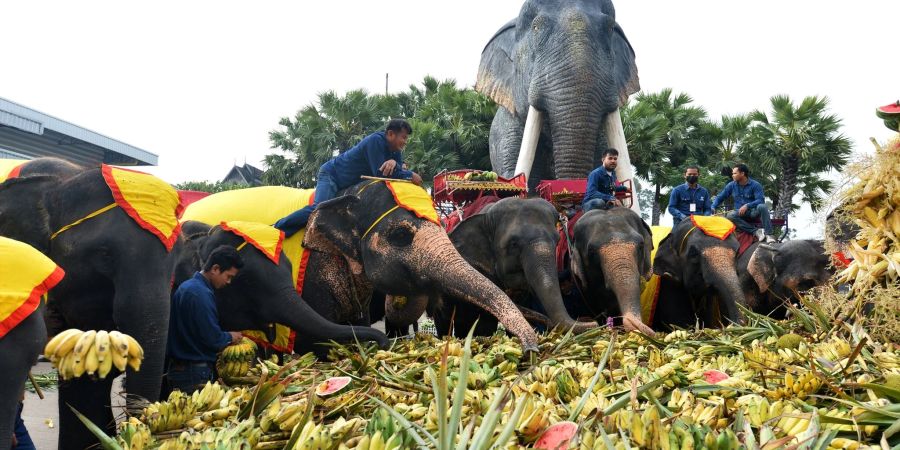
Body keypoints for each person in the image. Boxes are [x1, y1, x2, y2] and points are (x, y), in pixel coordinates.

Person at [274, 118, 424, 237]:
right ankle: (279, 228)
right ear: (391, 134)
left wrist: (396, 164)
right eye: (403, 138)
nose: (405, 142)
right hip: (332, 175)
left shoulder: (395, 151)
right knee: (319, 208)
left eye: (406, 139)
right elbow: (380, 175)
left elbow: (398, 170)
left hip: (347, 184)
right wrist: (410, 174)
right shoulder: (376, 141)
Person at [166, 245, 244, 393]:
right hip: (193, 373)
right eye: (228, 276)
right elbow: (211, 339)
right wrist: (230, 336)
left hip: (182, 369)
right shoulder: (199, 294)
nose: (229, 282)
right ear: (215, 269)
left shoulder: (188, 287)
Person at [711, 163, 775, 242]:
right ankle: (755, 231)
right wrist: (713, 206)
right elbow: (720, 197)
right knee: (730, 215)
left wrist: (747, 206)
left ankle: (769, 235)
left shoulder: (755, 185)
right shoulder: (731, 185)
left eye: (735, 173)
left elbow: (760, 200)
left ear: (742, 173)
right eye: (732, 173)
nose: (732, 175)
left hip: (753, 212)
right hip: (740, 213)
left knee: (762, 206)